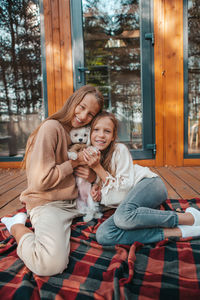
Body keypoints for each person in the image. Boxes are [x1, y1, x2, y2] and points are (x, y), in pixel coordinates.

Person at [1, 85, 104, 276]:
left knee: (122, 200)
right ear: (72, 102)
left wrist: (93, 177)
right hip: (49, 203)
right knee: (50, 264)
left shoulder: (83, 135)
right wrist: (74, 162)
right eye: (81, 107)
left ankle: (176, 227)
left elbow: (88, 174)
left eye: (90, 114)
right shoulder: (51, 128)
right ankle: (15, 225)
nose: (83, 116)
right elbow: (41, 181)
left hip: (76, 201)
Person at [81, 111, 200, 246]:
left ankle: (190, 218)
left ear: (113, 136)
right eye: (96, 130)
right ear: (90, 133)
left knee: (123, 217)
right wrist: (99, 193)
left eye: (107, 131)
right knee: (104, 235)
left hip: (150, 184)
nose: (101, 135)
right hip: (131, 202)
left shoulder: (119, 150)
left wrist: (97, 168)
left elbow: (122, 191)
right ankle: (178, 232)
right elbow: (114, 196)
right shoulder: (94, 156)